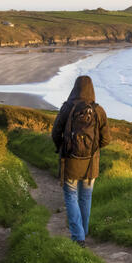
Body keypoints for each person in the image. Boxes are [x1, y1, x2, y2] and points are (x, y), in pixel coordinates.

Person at [51, 75, 111, 247]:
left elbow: (55, 133)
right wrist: (93, 150)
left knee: (71, 196)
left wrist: (61, 148)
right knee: (85, 197)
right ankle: (83, 233)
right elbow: (106, 139)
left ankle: (78, 237)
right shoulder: (98, 110)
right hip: (91, 163)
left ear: (75, 88)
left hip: (70, 161)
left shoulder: (67, 108)